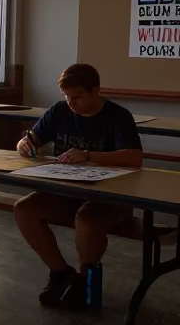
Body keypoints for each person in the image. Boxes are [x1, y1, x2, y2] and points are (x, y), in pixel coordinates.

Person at [13, 63, 143, 308]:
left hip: (111, 196)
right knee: (24, 209)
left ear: (96, 91)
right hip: (68, 191)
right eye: (67, 97)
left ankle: (85, 280)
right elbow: (31, 138)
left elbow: (134, 157)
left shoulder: (118, 116)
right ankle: (60, 272)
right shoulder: (59, 111)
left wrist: (88, 155)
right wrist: (24, 144)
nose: (71, 103)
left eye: (77, 97)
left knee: (87, 219)